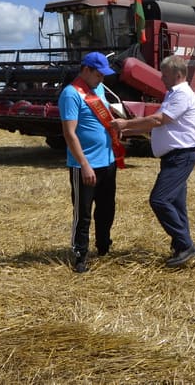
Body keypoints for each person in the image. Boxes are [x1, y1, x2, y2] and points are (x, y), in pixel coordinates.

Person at [111, 55, 195, 268]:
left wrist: (125, 124)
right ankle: (181, 246)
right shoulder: (172, 94)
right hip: (174, 157)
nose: (161, 78)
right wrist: (127, 129)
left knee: (159, 200)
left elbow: (158, 120)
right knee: (177, 204)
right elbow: (154, 124)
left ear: (178, 75)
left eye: (165, 74)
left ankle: (186, 245)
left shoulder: (182, 95)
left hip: (181, 156)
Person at [58, 51, 125, 273]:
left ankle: (104, 246)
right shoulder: (71, 94)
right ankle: (80, 254)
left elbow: (103, 117)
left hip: (107, 161)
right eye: (99, 74)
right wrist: (84, 164)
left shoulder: (97, 89)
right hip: (85, 165)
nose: (102, 79)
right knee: (83, 212)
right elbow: (69, 133)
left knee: (107, 208)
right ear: (86, 70)